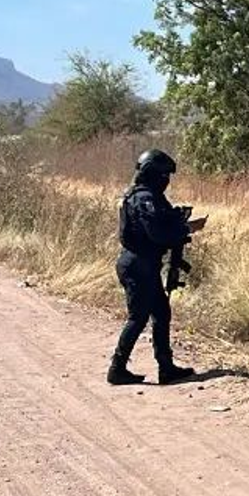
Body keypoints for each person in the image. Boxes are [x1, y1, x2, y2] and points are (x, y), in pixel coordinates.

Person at [108, 149, 207, 385]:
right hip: (137, 265)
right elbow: (158, 233)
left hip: (145, 265)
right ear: (155, 174)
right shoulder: (144, 199)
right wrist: (186, 229)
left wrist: (179, 220)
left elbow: (164, 224)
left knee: (161, 313)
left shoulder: (147, 196)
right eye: (164, 175)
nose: (167, 180)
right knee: (138, 317)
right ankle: (117, 369)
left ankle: (166, 367)